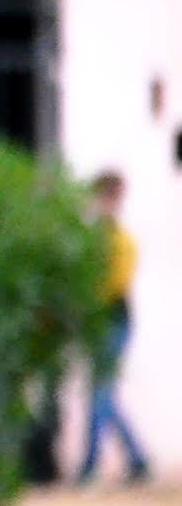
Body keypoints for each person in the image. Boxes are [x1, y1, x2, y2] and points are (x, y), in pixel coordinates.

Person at [79, 171, 149, 486]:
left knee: (100, 394)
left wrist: (88, 296)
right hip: (97, 321)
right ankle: (138, 459)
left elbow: (115, 285)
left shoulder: (121, 241)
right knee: (103, 394)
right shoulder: (93, 238)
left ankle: (90, 467)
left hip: (113, 321)